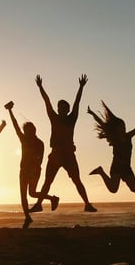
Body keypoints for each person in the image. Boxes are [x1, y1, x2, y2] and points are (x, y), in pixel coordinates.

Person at [31, 74, 96, 212]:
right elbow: (47, 102)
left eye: (63, 107)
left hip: (68, 155)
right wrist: (41, 87)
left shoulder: (71, 119)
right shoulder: (54, 117)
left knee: (76, 180)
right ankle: (38, 204)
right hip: (55, 154)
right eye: (60, 107)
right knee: (48, 181)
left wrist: (81, 87)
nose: (61, 109)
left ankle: (87, 204)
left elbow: (77, 103)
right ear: (58, 109)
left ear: (66, 109)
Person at [5, 101, 59, 228]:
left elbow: (40, 160)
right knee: (25, 194)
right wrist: (10, 111)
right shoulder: (23, 139)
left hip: (34, 170)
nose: (30, 132)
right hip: (23, 170)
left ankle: (52, 199)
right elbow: (15, 126)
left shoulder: (39, 142)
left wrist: (34, 170)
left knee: (32, 193)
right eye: (28, 130)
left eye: (32, 130)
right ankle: (28, 218)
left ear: (34, 130)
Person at [87, 102, 135, 194]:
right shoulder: (114, 138)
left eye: (124, 126)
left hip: (126, 167)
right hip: (117, 166)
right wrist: (92, 113)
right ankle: (100, 171)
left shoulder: (128, 136)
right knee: (113, 190)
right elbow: (101, 123)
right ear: (116, 129)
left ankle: (132, 182)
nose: (123, 129)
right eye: (121, 127)